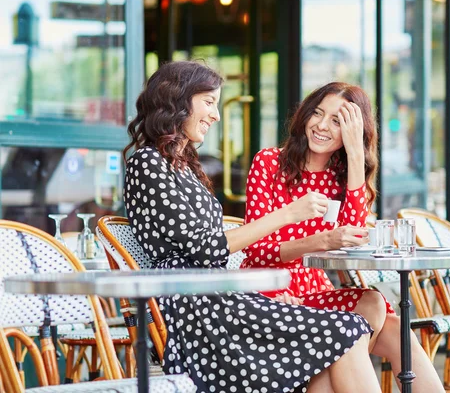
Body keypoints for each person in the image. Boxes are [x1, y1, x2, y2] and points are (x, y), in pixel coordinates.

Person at [122, 61, 383, 393]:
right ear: (177, 100)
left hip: (219, 296)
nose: (216, 115)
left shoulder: (183, 166)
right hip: (195, 308)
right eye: (209, 102)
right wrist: (289, 214)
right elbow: (205, 249)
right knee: (343, 332)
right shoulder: (148, 163)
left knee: (349, 328)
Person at [242, 82, 445, 391]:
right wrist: (321, 241)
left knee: (382, 313)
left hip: (313, 292)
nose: (322, 126)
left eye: (337, 121)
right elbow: (255, 253)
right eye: (318, 114)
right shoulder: (269, 163)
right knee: (379, 313)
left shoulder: (341, 176)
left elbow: (352, 238)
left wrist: (354, 155)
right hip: (268, 292)